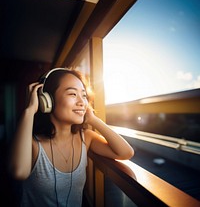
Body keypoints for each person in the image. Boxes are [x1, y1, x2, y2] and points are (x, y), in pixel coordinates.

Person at [9, 67, 134, 207]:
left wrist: (93, 119)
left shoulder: (86, 138)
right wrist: (30, 110)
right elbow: (18, 172)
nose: (82, 102)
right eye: (73, 94)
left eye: (84, 96)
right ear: (47, 100)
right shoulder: (32, 143)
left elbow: (125, 152)